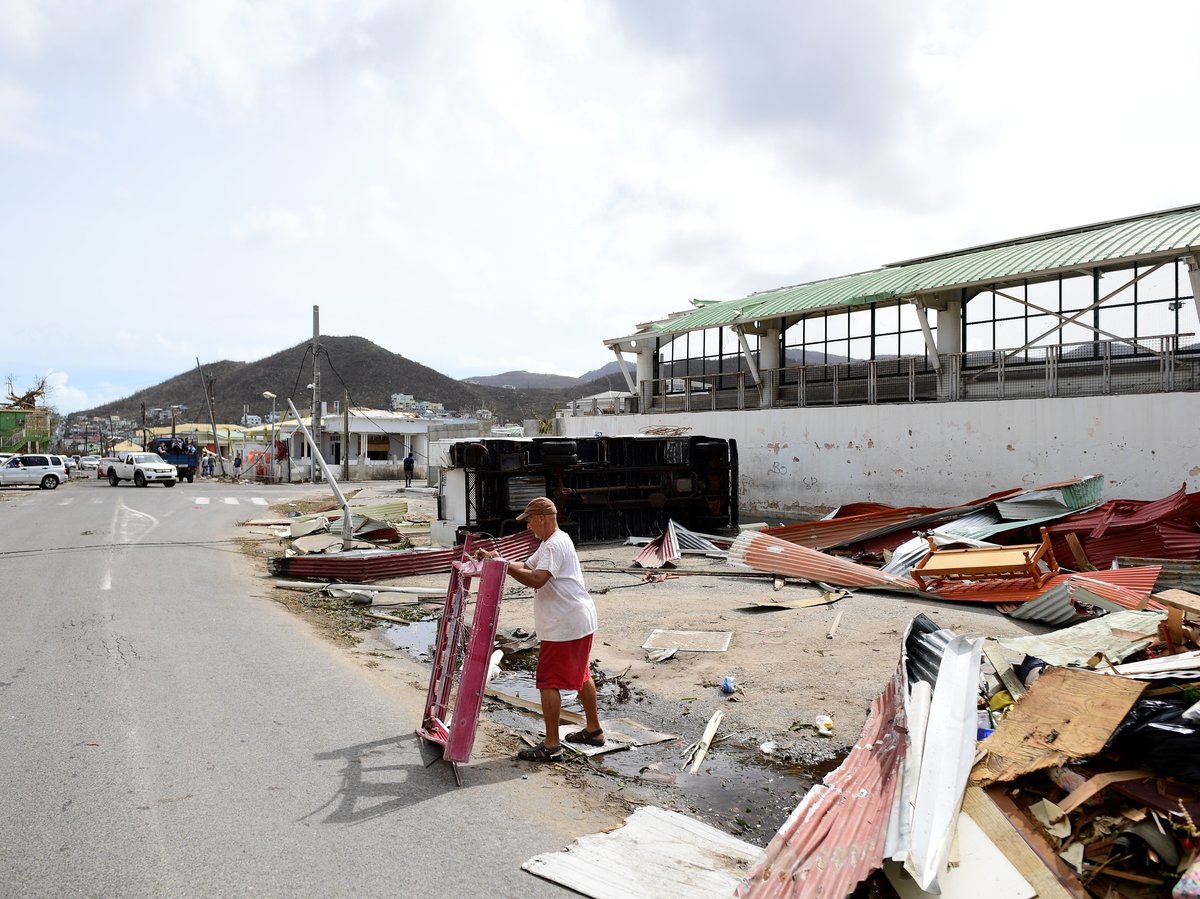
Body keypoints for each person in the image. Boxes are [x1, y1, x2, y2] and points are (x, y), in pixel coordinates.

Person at [474, 497, 602, 762]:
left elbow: (537, 579)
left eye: (530, 520)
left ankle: (552, 745)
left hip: (565, 623)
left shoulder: (554, 544)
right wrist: (498, 560)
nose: (529, 526)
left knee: (547, 681)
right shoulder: (551, 542)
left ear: (542, 518)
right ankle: (594, 730)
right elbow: (527, 567)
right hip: (576, 618)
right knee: (581, 674)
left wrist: (503, 567)